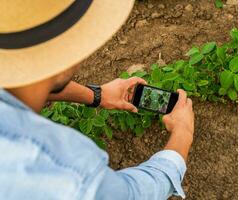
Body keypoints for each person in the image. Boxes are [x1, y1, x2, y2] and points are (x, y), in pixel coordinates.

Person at [0, 1, 194, 200]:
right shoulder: (63, 172)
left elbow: (30, 80)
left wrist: (97, 95)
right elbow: (132, 195)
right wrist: (183, 133)